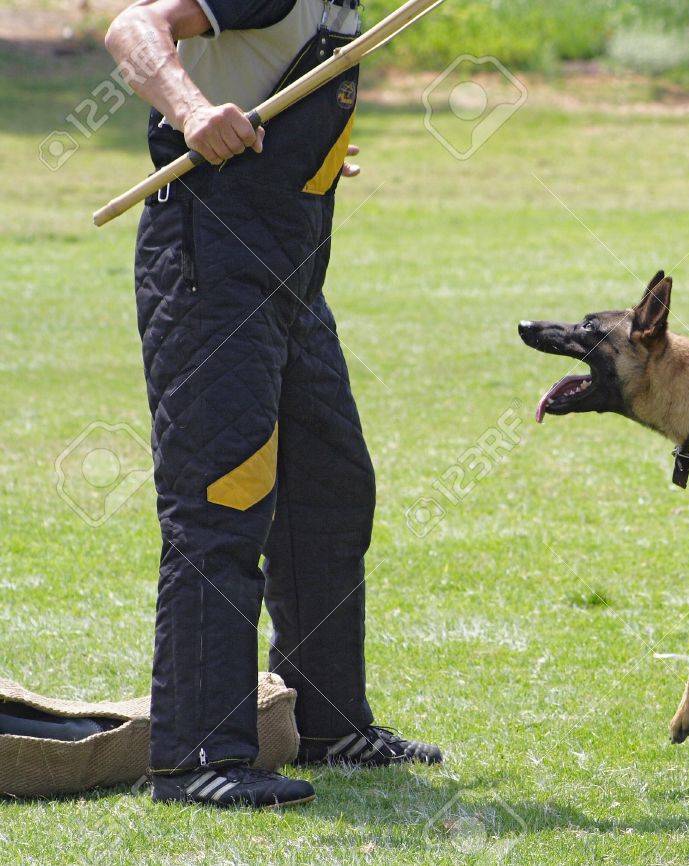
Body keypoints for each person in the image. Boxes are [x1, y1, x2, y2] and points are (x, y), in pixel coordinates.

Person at [104, 0, 441, 808]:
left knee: (331, 487)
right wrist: (190, 112)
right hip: (211, 266)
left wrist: (309, 146)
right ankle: (197, 756)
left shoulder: (343, 6)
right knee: (222, 499)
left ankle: (326, 720)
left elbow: (272, 86)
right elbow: (130, 27)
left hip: (288, 276)